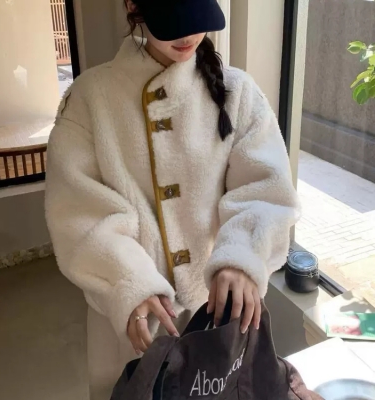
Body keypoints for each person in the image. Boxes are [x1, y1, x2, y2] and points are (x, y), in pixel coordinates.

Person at [45, 0, 300, 398]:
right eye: (173, 21)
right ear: (133, 5)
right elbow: (78, 211)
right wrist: (127, 280)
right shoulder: (89, 98)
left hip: (214, 312)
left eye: (197, 19)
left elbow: (265, 189)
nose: (188, 35)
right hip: (132, 319)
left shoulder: (239, 93)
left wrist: (242, 255)